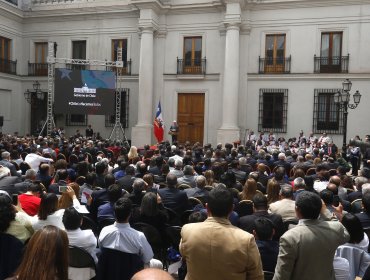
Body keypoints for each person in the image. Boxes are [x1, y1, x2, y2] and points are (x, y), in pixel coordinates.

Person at [180, 185, 264, 280]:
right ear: (232, 209)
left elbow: (184, 255)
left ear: (207, 207)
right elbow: (257, 276)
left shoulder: (187, 230)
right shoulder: (246, 240)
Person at [273, 191, 350, 280]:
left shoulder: (289, 237)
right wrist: (326, 213)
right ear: (321, 209)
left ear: (297, 209)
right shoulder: (335, 228)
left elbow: (282, 274)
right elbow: (346, 234)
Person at [98, 197, 162, 268]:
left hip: (109, 269)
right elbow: (148, 258)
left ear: (114, 214)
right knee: (159, 264)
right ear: (130, 214)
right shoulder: (139, 236)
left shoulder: (104, 231)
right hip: (132, 272)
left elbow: (102, 250)